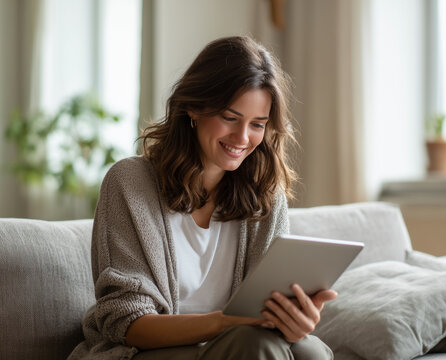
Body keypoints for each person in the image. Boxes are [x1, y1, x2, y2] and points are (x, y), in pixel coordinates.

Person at [68, 35, 337, 360]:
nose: (242, 138)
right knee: (257, 345)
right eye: (229, 118)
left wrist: (294, 323)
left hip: (239, 345)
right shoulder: (130, 183)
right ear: (193, 107)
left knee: (312, 352)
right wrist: (225, 323)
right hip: (142, 352)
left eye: (257, 124)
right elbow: (127, 323)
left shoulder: (266, 196)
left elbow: (265, 312)